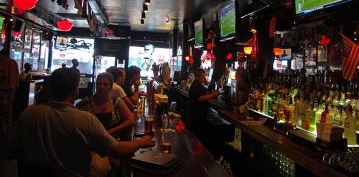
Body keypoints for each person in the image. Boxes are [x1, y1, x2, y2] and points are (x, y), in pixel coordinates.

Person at [5, 68, 154, 176]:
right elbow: (117, 150)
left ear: (49, 89)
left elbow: (9, 151)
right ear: (76, 91)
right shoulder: (84, 119)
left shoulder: (28, 114)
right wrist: (141, 142)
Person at [188, 68, 219, 140]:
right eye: (203, 76)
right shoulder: (196, 85)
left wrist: (210, 94)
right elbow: (200, 98)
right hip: (196, 117)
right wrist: (213, 95)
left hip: (196, 116)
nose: (205, 78)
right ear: (198, 77)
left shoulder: (197, 84)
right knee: (196, 138)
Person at [0, 48, 20, 141]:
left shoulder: (3, 62)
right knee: (9, 109)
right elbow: (17, 76)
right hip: (12, 89)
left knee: (2, 110)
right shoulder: (14, 62)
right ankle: (9, 129)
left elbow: (2, 75)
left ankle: (3, 131)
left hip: (3, 89)